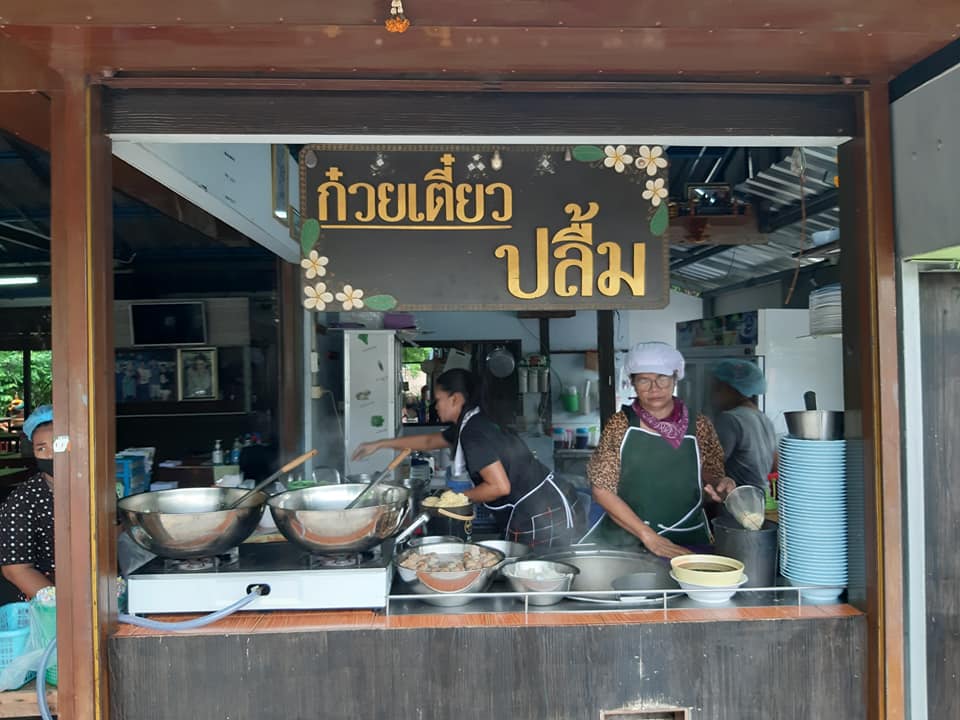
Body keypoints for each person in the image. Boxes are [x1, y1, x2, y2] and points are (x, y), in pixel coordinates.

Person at [352, 369, 581, 548]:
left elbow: (498, 487)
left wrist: (452, 499)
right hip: (543, 503)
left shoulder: (474, 432)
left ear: (455, 399)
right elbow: (430, 442)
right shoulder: (472, 421)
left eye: (438, 399)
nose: (435, 405)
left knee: (537, 581)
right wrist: (381, 444)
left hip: (539, 512)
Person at [585, 342, 735, 558]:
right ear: (633, 383)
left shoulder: (700, 424)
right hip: (626, 539)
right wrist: (649, 536)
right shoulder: (620, 425)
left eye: (662, 378)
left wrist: (721, 485)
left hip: (688, 537)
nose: (654, 388)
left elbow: (710, 474)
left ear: (675, 378)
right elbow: (601, 489)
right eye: (644, 380)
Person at [0, 405, 55, 599]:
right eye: (42, 448)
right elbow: (16, 570)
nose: (50, 454)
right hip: (43, 603)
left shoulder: (96, 489)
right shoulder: (21, 501)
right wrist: (61, 607)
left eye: (57, 444)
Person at [710, 359, 777, 490]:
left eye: (717, 388)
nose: (713, 394)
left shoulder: (730, 419)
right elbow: (775, 465)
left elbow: (711, 466)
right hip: (761, 499)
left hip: (737, 501)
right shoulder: (764, 419)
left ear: (731, 389)